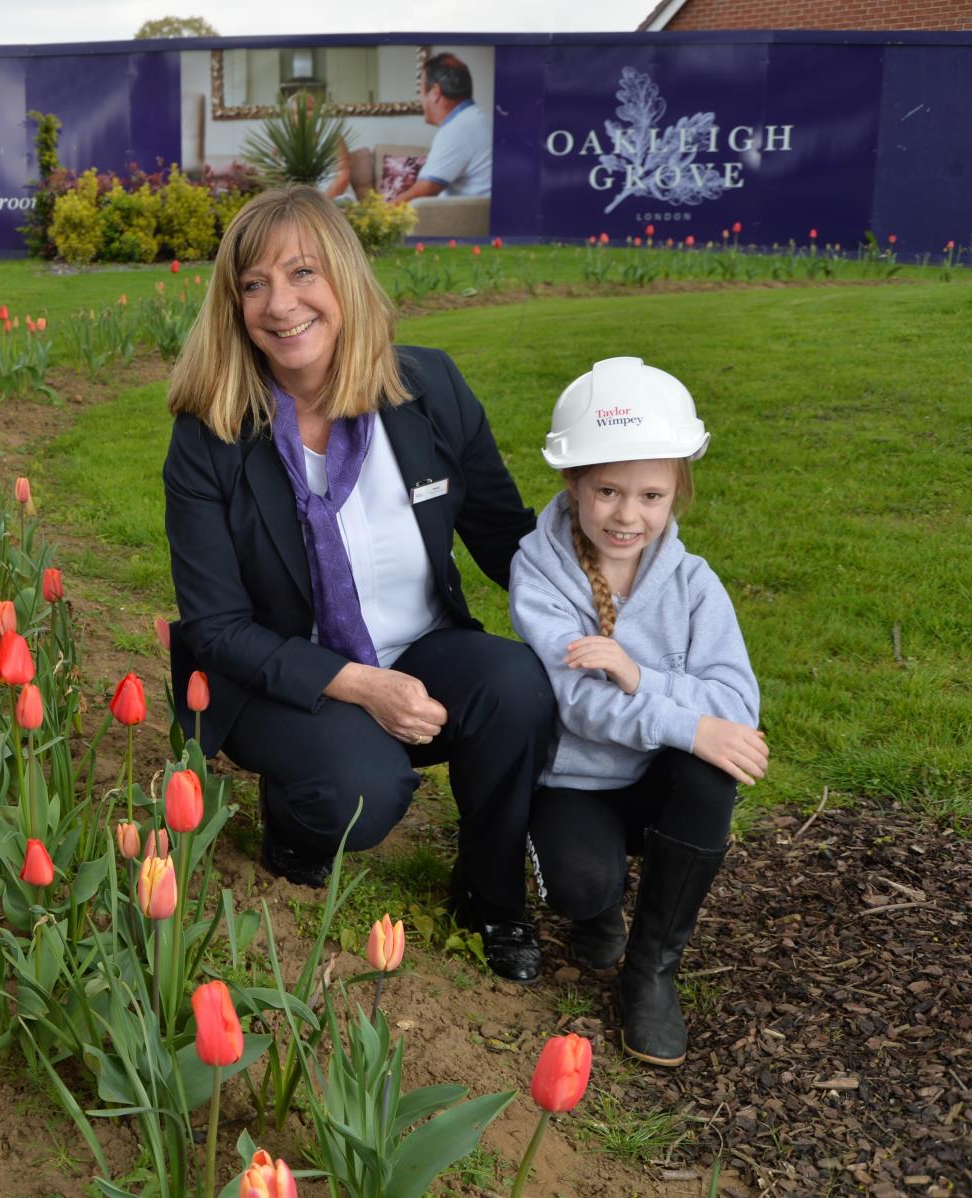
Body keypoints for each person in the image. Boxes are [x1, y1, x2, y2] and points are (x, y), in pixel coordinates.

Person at [162, 185, 554, 983]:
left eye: (303, 273)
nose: (281, 305)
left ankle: (489, 898)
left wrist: (612, 598)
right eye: (254, 284)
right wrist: (364, 689)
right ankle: (294, 825)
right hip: (276, 674)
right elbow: (216, 628)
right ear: (234, 306)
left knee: (516, 684)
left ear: (344, 276)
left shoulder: (428, 388)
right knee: (360, 791)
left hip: (419, 646)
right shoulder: (209, 436)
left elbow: (505, 538)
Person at [511, 356, 765, 1067]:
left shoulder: (695, 584)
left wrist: (638, 674)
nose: (628, 515)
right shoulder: (540, 573)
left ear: (677, 492)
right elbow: (581, 704)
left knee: (711, 769)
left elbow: (736, 703)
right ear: (573, 483)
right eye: (608, 492)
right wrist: (685, 718)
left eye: (651, 495)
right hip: (576, 782)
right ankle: (599, 913)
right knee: (578, 884)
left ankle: (652, 969)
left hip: (658, 782)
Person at [391, 54, 492, 204]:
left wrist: (378, 214)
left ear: (435, 93)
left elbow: (422, 192)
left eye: (420, 91)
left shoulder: (457, 129)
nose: (420, 99)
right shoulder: (482, 119)